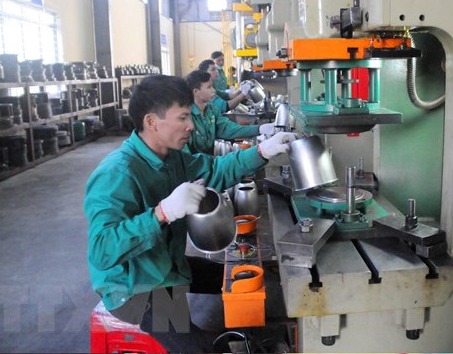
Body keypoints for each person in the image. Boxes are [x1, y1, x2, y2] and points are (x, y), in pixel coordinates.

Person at [84, 75, 297, 353]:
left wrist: (262, 151)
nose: (191, 126)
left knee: (243, 281)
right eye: (183, 118)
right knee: (203, 350)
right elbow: (102, 251)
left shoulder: (173, 158)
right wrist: (162, 213)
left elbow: (215, 170)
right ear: (151, 121)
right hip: (136, 287)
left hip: (166, 265)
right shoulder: (117, 173)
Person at [185, 69, 275, 155]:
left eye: (212, 86)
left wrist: (259, 129)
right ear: (196, 91)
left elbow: (227, 129)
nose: (213, 90)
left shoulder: (211, 110)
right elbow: (187, 158)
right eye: (209, 87)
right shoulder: (187, 117)